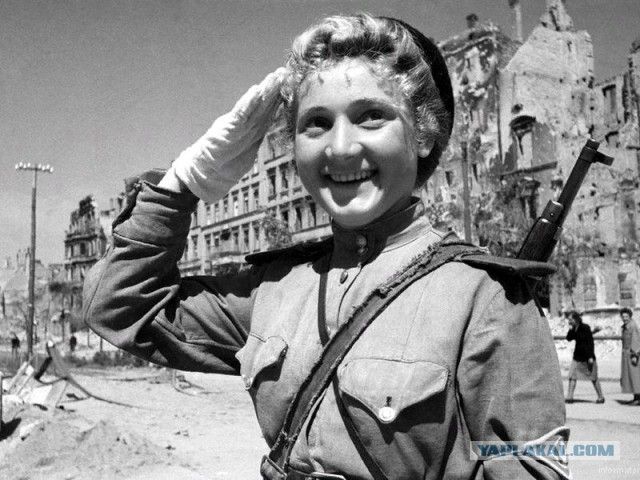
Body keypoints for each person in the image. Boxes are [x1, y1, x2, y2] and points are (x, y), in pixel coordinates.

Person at [83, 13, 569, 479]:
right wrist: (183, 182)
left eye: (371, 117)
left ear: (423, 133)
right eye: (315, 123)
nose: (339, 148)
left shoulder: (484, 299)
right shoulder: (275, 289)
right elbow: (119, 308)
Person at [564, 311, 604, 403]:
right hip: (577, 356)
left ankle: (601, 397)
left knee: (593, 377)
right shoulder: (574, 328)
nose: (569, 321)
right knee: (572, 376)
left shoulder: (585, 327)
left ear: (576, 319)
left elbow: (590, 342)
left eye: (570, 319)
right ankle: (570, 397)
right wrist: (570, 329)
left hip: (587, 356)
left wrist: (590, 357)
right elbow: (569, 338)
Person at [620, 307, 640, 405]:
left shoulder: (632, 326)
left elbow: (636, 340)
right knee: (630, 377)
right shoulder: (625, 326)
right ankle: (635, 397)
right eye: (623, 317)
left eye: (626, 316)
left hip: (632, 354)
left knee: (635, 376)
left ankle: (638, 398)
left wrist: (635, 355)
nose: (624, 318)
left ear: (630, 317)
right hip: (626, 354)